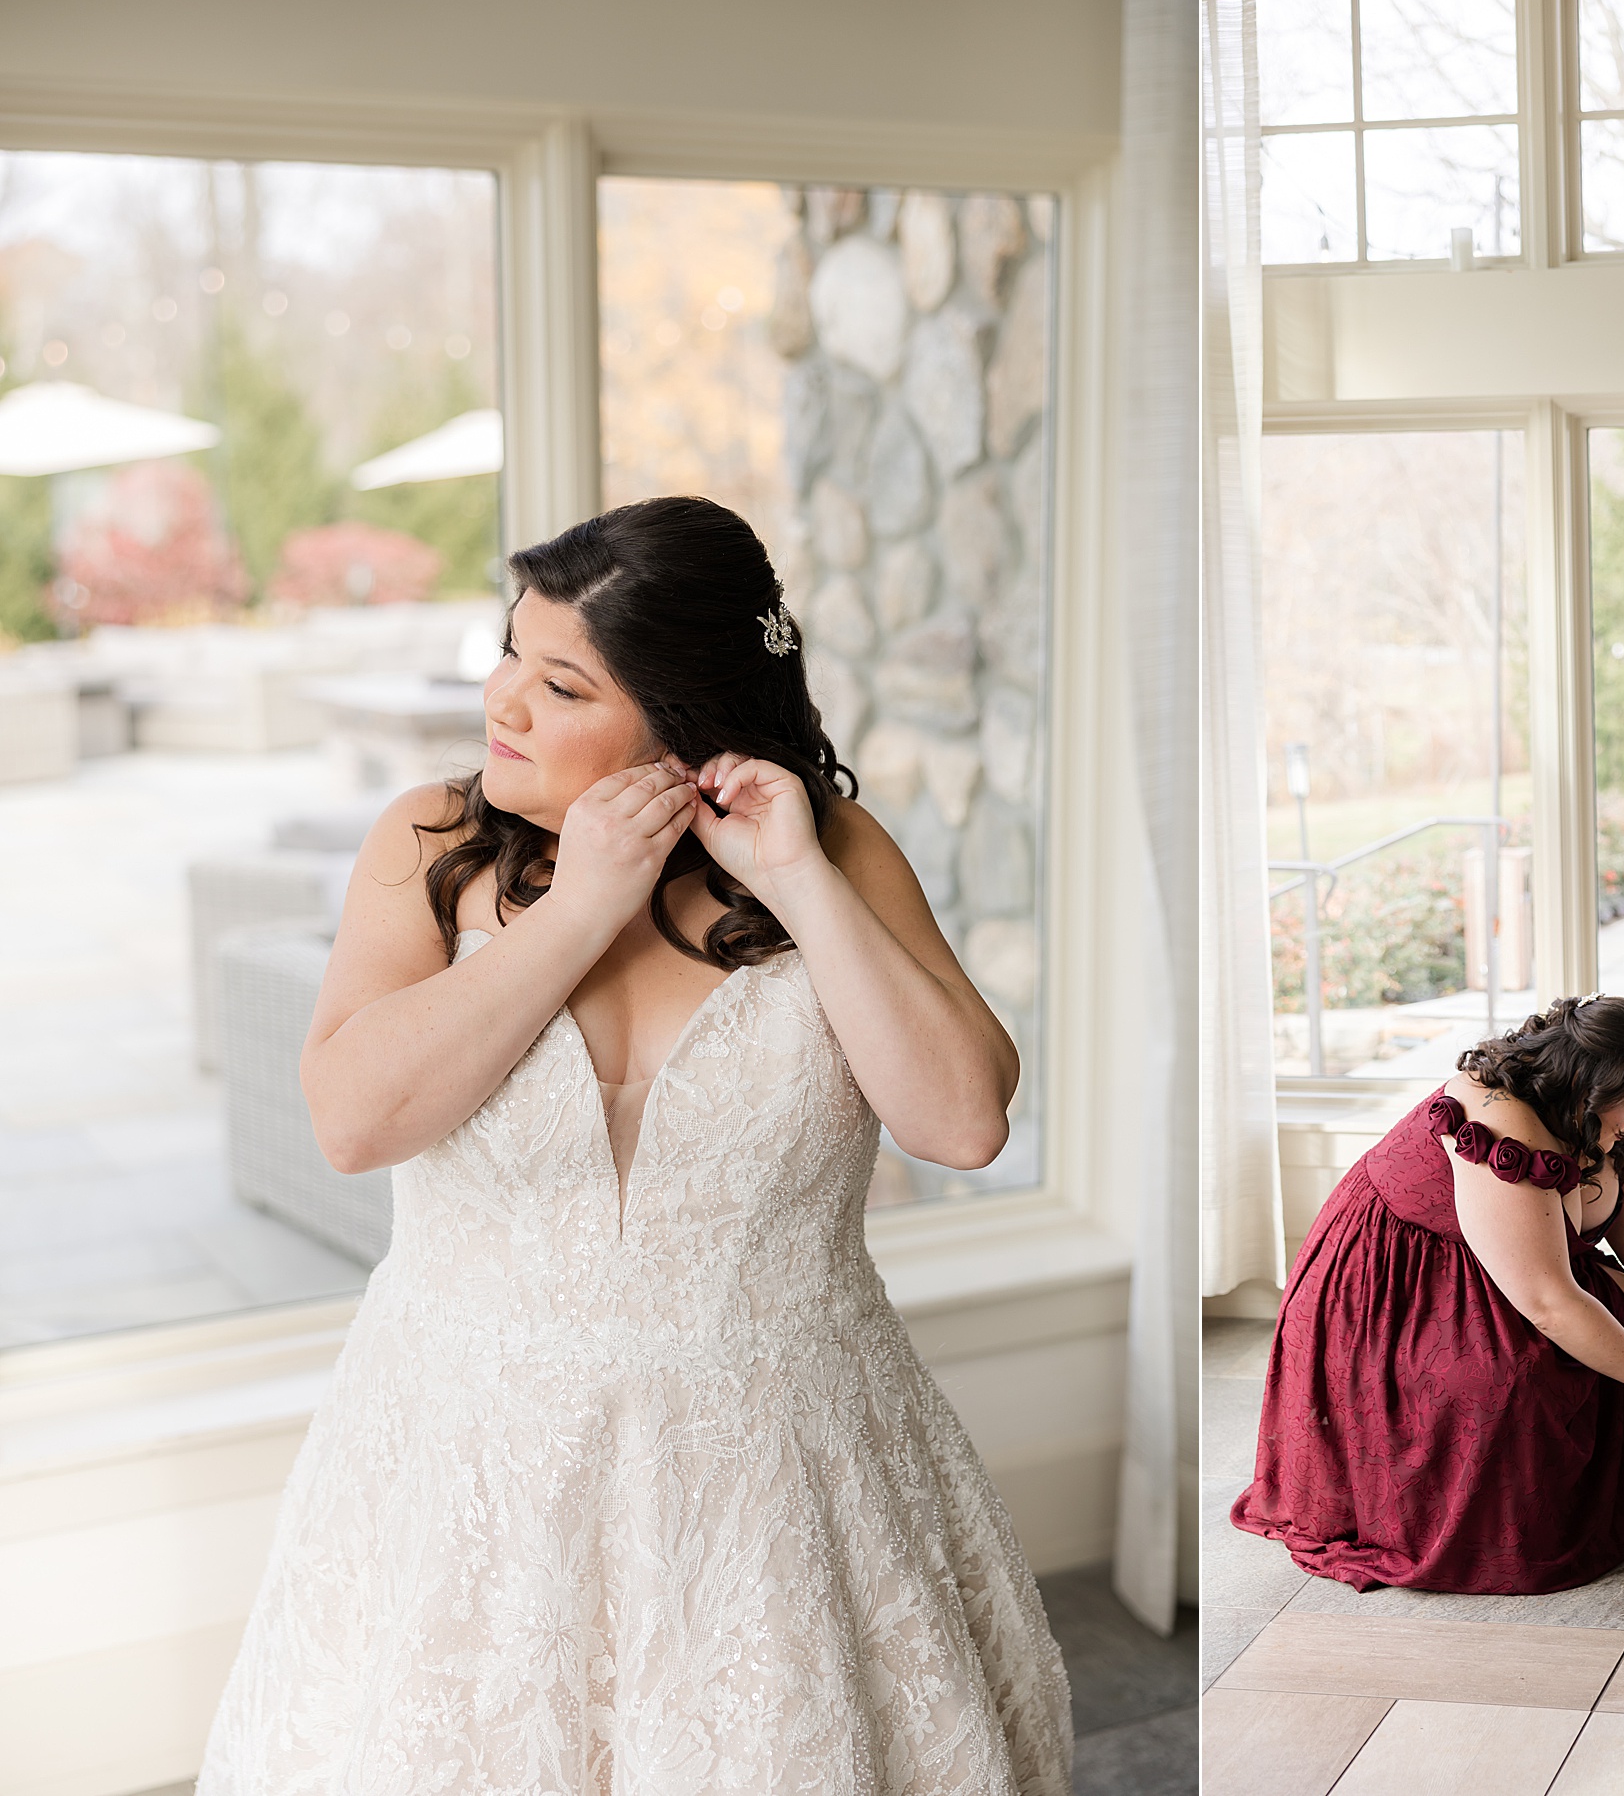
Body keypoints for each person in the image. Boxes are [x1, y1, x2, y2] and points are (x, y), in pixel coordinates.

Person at [197, 497, 1071, 1794]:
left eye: (559, 683)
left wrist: (801, 881)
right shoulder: (428, 845)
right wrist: (580, 907)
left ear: (682, 720)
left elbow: (961, 1119)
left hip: (782, 1472)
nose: (503, 699)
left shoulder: (831, 853)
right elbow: (352, 1120)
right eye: (507, 651)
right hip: (469, 1463)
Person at [1232, 996, 1624, 1594]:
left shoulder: (1608, 1128)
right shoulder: (1498, 1119)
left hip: (1516, 1266)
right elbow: (1546, 1299)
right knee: (1521, 1378)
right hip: (1397, 1290)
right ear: (1587, 1088)